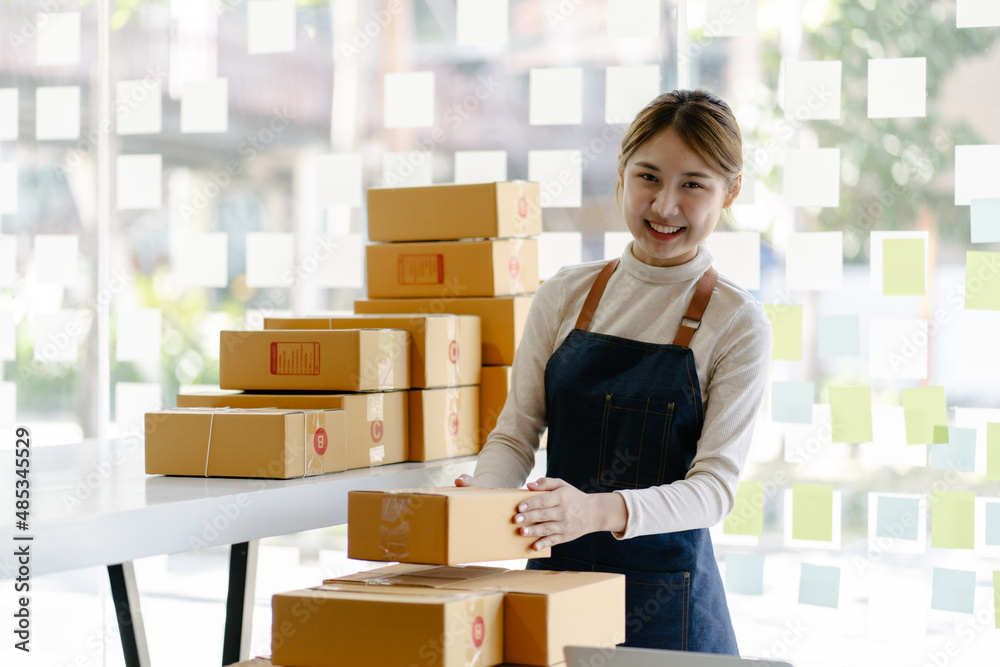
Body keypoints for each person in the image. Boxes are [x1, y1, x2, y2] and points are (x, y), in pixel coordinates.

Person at [455, 88, 772, 654]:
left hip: (669, 613)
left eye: (693, 184)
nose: (665, 206)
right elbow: (515, 433)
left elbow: (714, 490)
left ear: (730, 192)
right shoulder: (565, 294)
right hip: (556, 595)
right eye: (648, 177)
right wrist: (481, 499)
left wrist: (592, 511)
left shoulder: (737, 322)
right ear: (622, 172)